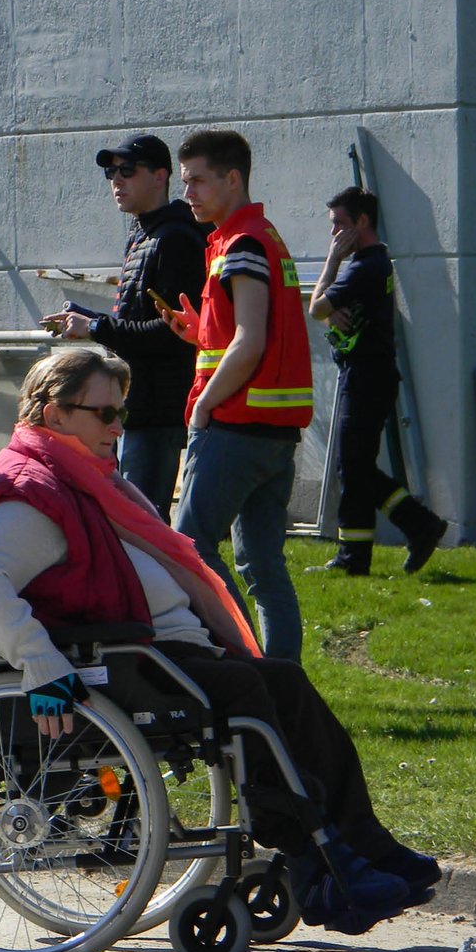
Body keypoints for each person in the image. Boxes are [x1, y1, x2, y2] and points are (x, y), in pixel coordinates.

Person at [0, 348, 440, 935]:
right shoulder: (33, 491)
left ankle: (363, 842)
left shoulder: (88, 484)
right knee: (246, 687)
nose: (117, 427)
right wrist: (41, 663)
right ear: (55, 416)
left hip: (159, 654)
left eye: (121, 414)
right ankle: (314, 857)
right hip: (121, 664)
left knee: (284, 679)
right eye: (104, 414)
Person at [159, 129, 312, 662]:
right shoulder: (258, 236)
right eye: (185, 183)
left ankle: (249, 671)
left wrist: (202, 408)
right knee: (264, 568)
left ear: (233, 178)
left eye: (198, 181)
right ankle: (283, 682)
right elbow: (243, 335)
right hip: (273, 435)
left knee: (192, 549)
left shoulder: (242, 243)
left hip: (235, 429)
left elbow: (250, 341)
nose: (189, 193)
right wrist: (200, 331)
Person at [40, 134, 206, 520]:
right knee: (123, 519)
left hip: (157, 410)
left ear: (160, 176)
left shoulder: (175, 238)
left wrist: (95, 327)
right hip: (134, 406)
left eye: (127, 170)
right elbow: (137, 320)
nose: (117, 180)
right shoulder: (144, 233)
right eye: (111, 172)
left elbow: (173, 334)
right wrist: (84, 318)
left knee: (142, 523)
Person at [308, 186, 447, 576]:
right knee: (354, 468)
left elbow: (317, 306)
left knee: (353, 467)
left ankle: (419, 525)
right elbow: (331, 310)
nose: (334, 234)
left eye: (339, 224)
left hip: (368, 377)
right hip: (370, 375)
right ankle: (357, 557)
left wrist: (333, 262)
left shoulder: (362, 265)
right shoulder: (374, 262)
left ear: (362, 222)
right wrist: (335, 308)